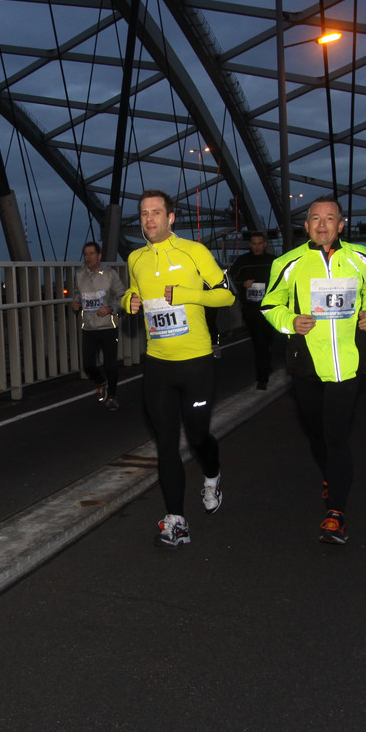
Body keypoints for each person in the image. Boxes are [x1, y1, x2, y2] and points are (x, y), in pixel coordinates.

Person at [259, 197, 366, 545]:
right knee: (316, 434)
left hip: (347, 363)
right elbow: (269, 304)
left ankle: (336, 513)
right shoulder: (288, 263)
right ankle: (330, 475)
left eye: (330, 218)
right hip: (307, 363)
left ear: (341, 225)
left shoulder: (362, 257)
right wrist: (290, 321)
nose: (323, 224)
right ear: (307, 226)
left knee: (336, 437)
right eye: (316, 218)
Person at [122, 189, 236, 547]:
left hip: (195, 362)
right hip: (158, 364)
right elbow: (132, 292)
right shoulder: (135, 258)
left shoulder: (194, 252)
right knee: (167, 443)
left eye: (156, 212)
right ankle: (176, 520)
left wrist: (188, 295)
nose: (149, 219)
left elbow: (226, 294)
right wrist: (129, 301)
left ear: (171, 218)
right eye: (144, 213)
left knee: (198, 436)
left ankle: (212, 474)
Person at [71, 241, 127, 410]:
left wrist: (111, 308)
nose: (88, 257)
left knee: (110, 365)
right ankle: (101, 381)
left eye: (92, 254)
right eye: (86, 254)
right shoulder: (79, 274)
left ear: (99, 256)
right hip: (89, 327)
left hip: (108, 327)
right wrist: (76, 303)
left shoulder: (110, 274)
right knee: (88, 365)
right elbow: (77, 294)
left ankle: (112, 396)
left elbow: (123, 297)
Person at [228, 231, 278, 388]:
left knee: (266, 340)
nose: (257, 247)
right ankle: (262, 375)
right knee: (259, 342)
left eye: (260, 243)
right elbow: (230, 280)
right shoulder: (242, 262)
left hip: (270, 309)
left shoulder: (273, 261)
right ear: (250, 245)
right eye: (254, 244)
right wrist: (243, 284)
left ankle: (264, 370)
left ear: (265, 244)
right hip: (251, 309)